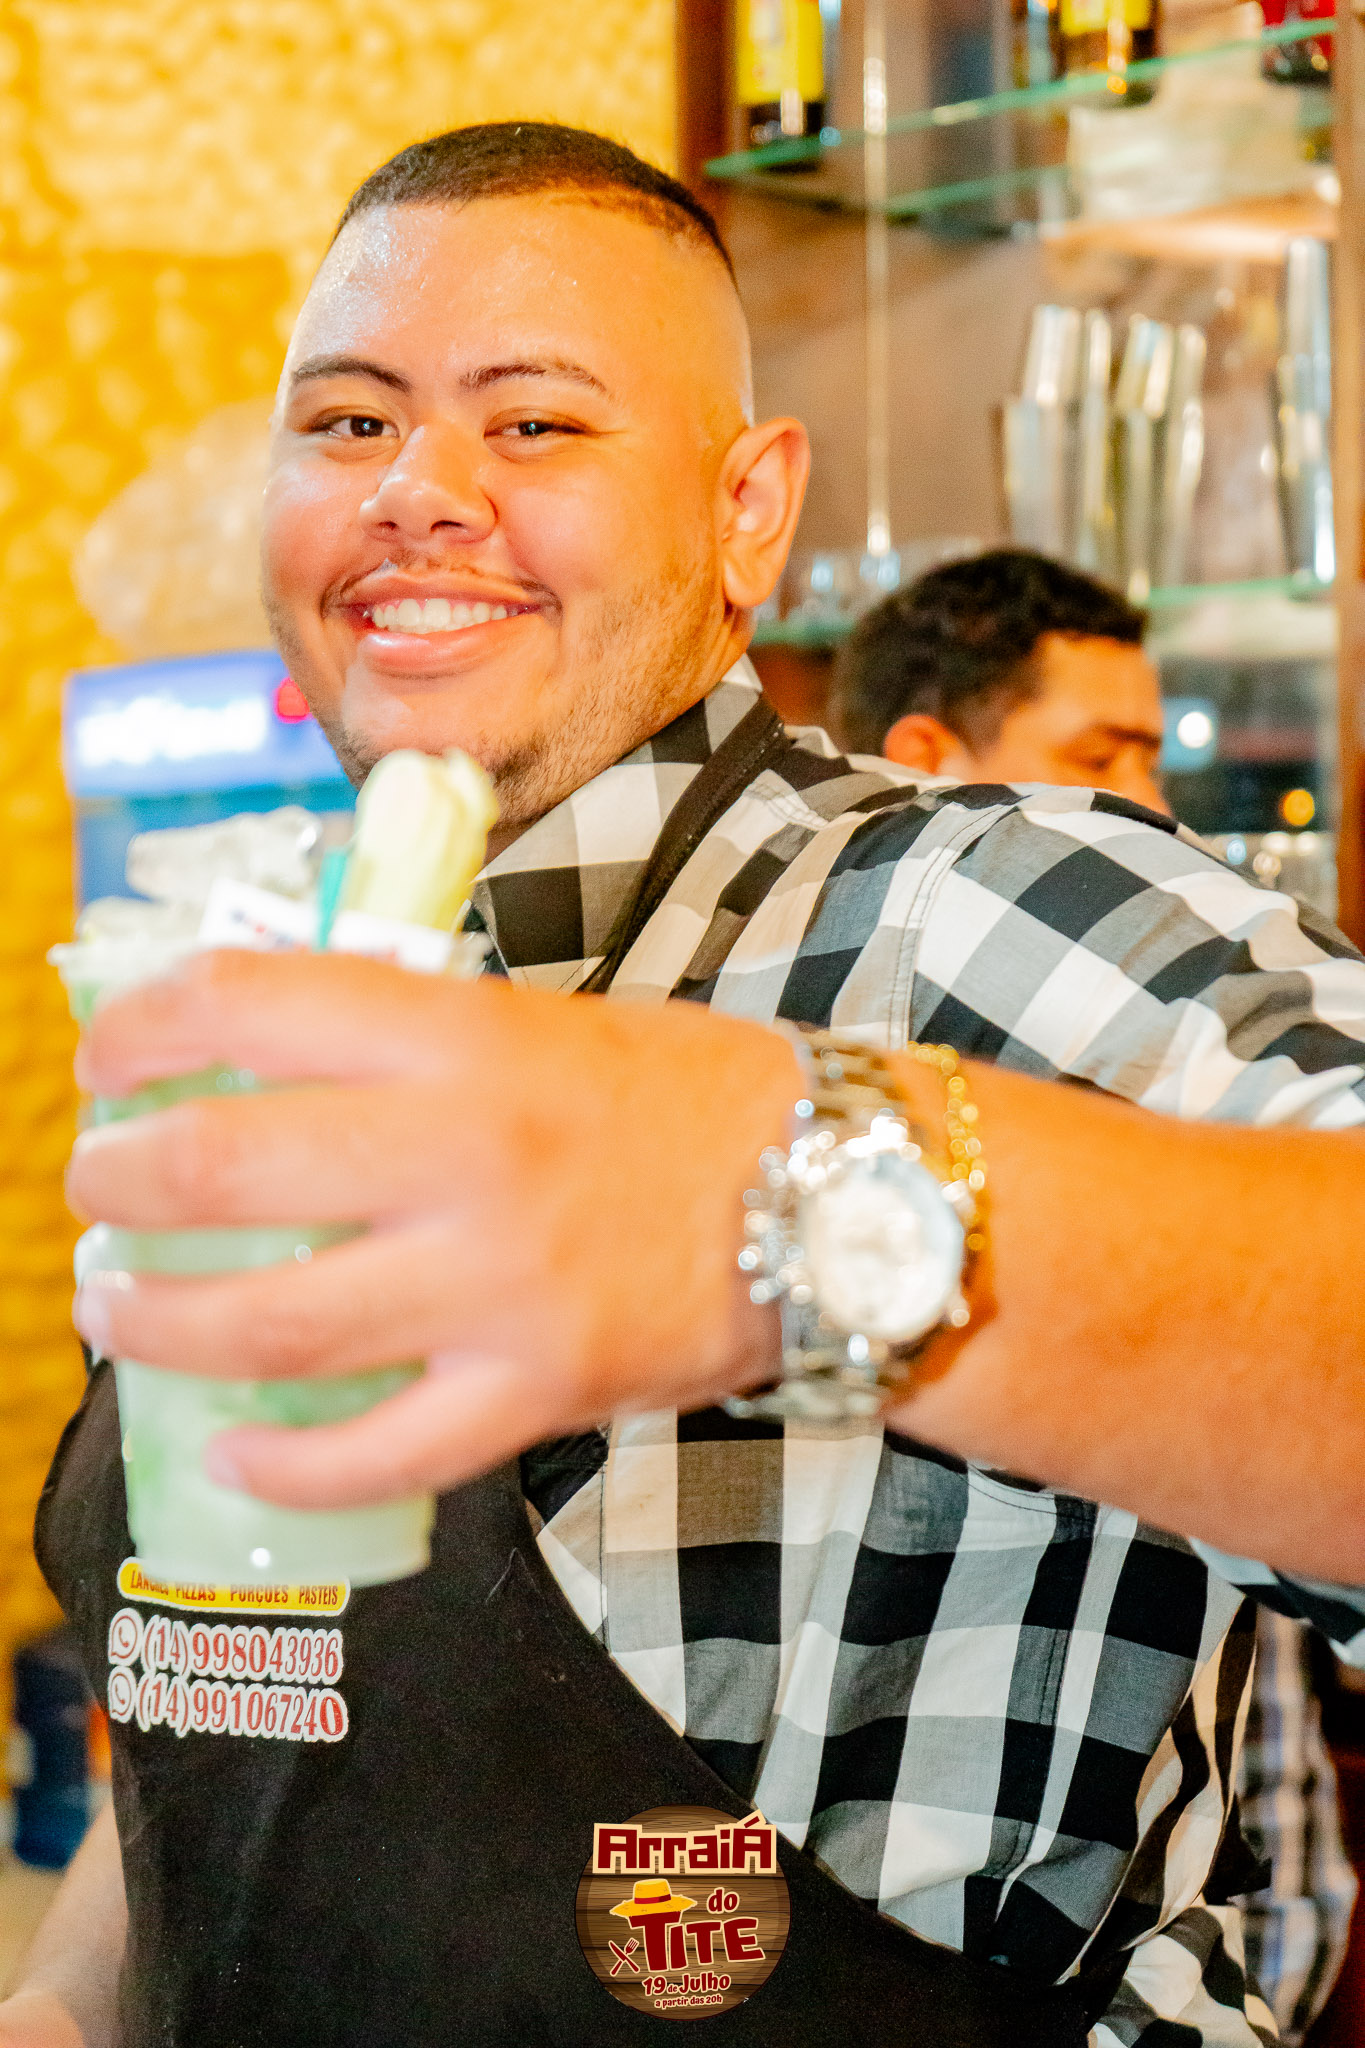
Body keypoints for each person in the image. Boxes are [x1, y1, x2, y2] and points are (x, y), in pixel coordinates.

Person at [10, 123, 1365, 2048]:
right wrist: (66, 2005)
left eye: (534, 424)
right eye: (348, 422)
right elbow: (237, 1715)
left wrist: (781, 1197)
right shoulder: (251, 984)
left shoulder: (972, 910)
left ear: (745, 512)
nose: (416, 492)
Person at [834, 546, 1359, 2048]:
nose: (1153, 812)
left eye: (1152, 758)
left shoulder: (1175, 1077)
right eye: (1102, 760)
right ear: (924, 762)